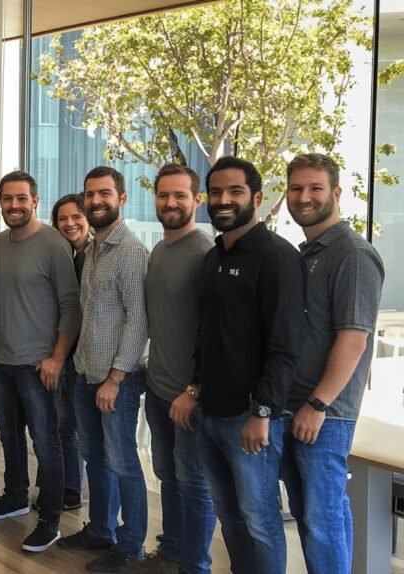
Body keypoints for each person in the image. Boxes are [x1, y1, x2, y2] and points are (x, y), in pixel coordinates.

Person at [196, 156, 306, 574]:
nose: (224, 200)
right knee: (230, 516)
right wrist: (194, 388)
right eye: (217, 192)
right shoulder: (213, 257)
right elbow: (208, 336)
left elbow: (285, 346)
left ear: (257, 198)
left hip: (251, 418)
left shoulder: (276, 257)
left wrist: (262, 413)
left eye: (235, 192)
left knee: (261, 521)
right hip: (210, 412)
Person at [283, 153, 384, 574]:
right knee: (315, 515)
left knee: (322, 518)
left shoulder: (353, 254)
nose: (304, 197)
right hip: (294, 405)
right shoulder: (307, 253)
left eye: (315, 188)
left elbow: (354, 339)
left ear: (336, 194)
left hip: (324, 414)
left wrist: (318, 404)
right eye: (296, 188)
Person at [0, 170, 80, 553]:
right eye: (7, 199)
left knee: (46, 442)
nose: (14, 206)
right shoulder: (1, 243)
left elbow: (70, 306)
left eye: (21, 199)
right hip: (3, 359)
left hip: (40, 365)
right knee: (8, 436)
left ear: (35, 201)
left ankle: (50, 520)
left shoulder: (54, 244)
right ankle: (15, 495)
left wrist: (57, 358)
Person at [131, 164, 216, 574]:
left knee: (195, 484)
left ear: (196, 201)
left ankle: (194, 565)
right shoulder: (160, 251)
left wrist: (194, 390)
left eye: (180, 196)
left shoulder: (204, 255)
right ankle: (172, 552)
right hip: (160, 387)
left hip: (189, 396)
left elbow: (215, 334)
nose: (170, 202)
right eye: (164, 195)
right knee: (168, 476)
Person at [64, 166, 150, 573]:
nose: (96, 200)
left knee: (123, 463)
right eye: (90, 194)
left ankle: (131, 546)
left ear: (121, 199)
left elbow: (139, 322)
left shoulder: (131, 252)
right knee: (94, 457)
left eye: (104, 194)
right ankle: (101, 529)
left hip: (117, 380)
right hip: (86, 372)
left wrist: (116, 378)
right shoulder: (94, 248)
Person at [48, 193, 89, 511]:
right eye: (62, 218)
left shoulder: (94, 255)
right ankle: (63, 484)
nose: (69, 223)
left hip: (84, 356)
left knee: (69, 426)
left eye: (76, 216)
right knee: (62, 424)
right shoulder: (64, 254)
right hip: (64, 351)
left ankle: (71, 489)